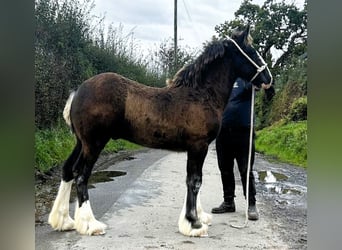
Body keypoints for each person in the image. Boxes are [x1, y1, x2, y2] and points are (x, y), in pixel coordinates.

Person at [211, 77, 274, 220]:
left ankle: (251, 204)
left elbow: (268, 90)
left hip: (243, 131)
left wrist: (269, 86)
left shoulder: (248, 79)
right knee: (225, 168)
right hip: (222, 131)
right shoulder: (222, 79)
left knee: (245, 169)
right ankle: (228, 202)